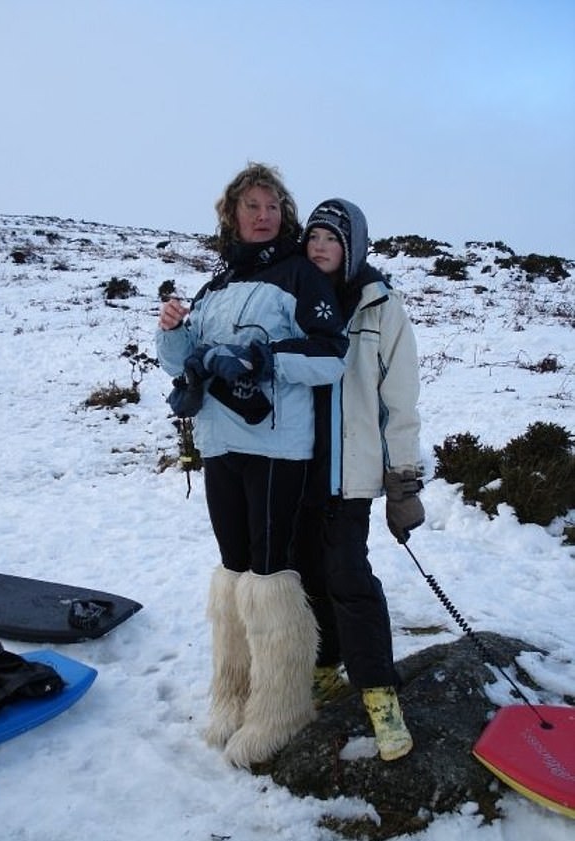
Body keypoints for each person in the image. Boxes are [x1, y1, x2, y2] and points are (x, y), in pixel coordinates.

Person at [155, 164, 348, 768]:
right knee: (233, 573)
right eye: (251, 206)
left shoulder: (299, 277)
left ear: (283, 214)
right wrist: (173, 336)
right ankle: (233, 698)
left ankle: (280, 709)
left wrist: (265, 360)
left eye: (272, 206)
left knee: (269, 576)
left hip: (276, 446)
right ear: (232, 216)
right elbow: (178, 363)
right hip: (220, 443)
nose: (262, 215)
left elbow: (330, 356)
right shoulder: (216, 286)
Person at [296, 198, 424, 761]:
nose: (319, 246)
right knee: (307, 578)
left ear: (354, 247)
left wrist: (403, 482)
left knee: (349, 578)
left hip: (350, 476)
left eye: (332, 237)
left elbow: (401, 402)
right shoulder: (291, 298)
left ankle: (379, 694)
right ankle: (324, 671)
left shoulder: (381, 307)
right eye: (313, 236)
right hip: (294, 470)